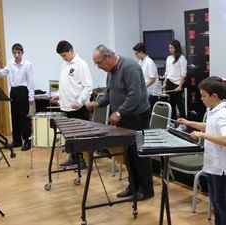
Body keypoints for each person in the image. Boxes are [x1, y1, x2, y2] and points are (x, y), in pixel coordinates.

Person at [87, 44, 154, 201]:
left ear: (108, 57)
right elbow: (110, 93)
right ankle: (134, 185)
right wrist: (97, 103)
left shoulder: (129, 67)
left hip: (137, 117)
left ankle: (146, 189)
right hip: (124, 119)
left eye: (98, 63)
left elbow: (135, 96)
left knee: (139, 154)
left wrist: (119, 112)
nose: (98, 67)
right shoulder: (110, 71)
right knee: (128, 155)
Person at [176, 76, 226, 225]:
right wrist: (189, 122)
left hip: (221, 167)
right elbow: (208, 126)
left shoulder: (223, 115)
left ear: (214, 96)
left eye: (203, 96)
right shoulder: (212, 110)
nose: (201, 99)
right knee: (215, 202)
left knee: (222, 202)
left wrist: (201, 135)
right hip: (212, 164)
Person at [51, 40, 93, 171]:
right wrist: (58, 94)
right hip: (66, 106)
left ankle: (84, 161)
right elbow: (64, 83)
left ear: (71, 50)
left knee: (81, 135)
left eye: (64, 55)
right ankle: (74, 157)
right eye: (61, 56)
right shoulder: (65, 64)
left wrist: (79, 102)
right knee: (70, 136)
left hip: (78, 108)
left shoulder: (81, 64)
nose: (63, 58)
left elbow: (88, 86)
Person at [0, 43, 34, 151]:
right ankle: (17, 141)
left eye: (19, 53)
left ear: (22, 53)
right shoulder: (10, 64)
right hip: (14, 91)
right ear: (12, 53)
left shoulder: (27, 64)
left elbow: (30, 81)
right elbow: (1, 74)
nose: (16, 55)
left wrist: (31, 96)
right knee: (15, 116)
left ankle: (27, 141)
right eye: (14, 53)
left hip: (23, 91)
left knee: (24, 117)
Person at [161, 39, 187, 120]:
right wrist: (164, 82)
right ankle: (173, 121)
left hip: (177, 83)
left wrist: (180, 86)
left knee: (179, 104)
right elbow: (167, 71)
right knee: (170, 104)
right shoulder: (168, 58)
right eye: (169, 48)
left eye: (172, 48)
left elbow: (183, 73)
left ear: (176, 48)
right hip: (169, 82)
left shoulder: (182, 58)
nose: (170, 50)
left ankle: (183, 122)